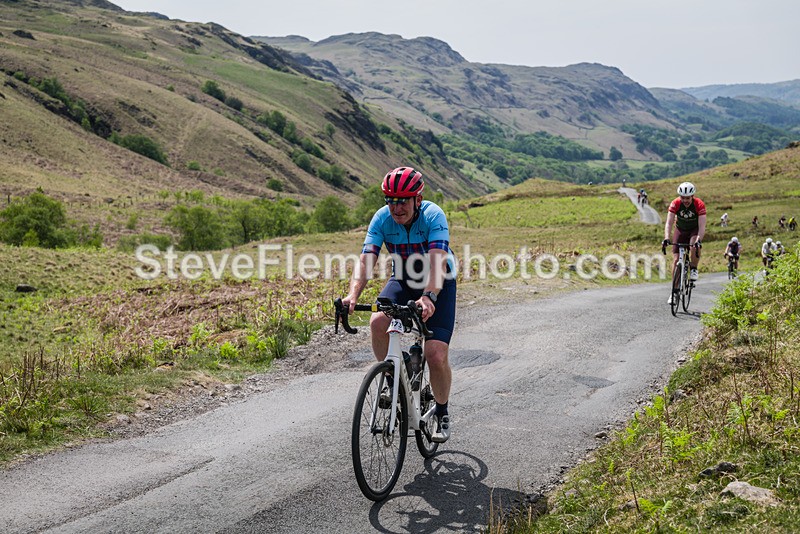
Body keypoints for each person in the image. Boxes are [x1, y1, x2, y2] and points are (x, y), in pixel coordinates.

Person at [343, 166, 456, 443]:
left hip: (438, 280)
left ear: (417, 199)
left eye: (403, 200)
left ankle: (441, 411)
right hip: (404, 279)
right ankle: (397, 373)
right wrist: (353, 296)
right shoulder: (382, 219)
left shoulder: (433, 215)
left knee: (436, 354)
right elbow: (366, 258)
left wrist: (429, 296)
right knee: (378, 322)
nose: (396, 208)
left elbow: (438, 260)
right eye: (391, 201)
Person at [663, 182, 706, 305]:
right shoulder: (675, 203)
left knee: (693, 244)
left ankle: (693, 268)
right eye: (683, 197)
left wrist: (699, 239)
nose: (685, 200)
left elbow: (702, 226)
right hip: (680, 230)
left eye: (688, 198)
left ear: (693, 196)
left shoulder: (699, 204)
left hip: (694, 230)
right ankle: (674, 292)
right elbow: (669, 222)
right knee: (676, 259)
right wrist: (666, 237)